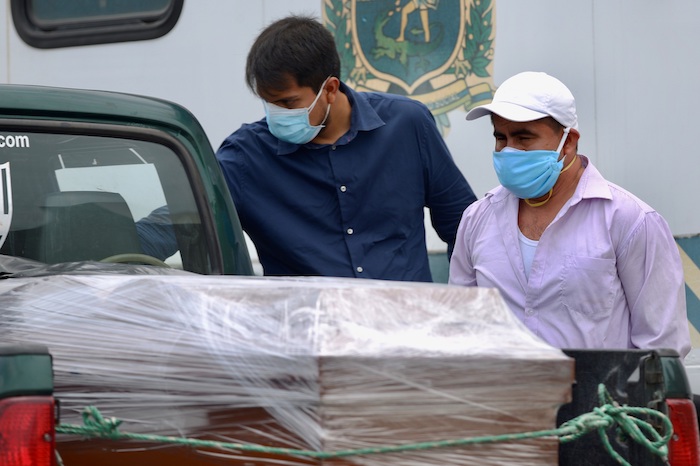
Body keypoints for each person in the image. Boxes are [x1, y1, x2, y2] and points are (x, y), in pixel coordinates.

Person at [216, 15, 476, 281]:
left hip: (408, 319)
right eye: (268, 104)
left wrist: (460, 303)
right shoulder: (246, 157)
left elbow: (467, 229)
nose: (276, 115)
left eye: (288, 103)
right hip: (308, 322)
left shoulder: (408, 125)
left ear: (330, 88)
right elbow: (186, 224)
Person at [449, 71, 691, 357]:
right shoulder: (477, 220)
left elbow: (661, 349)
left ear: (569, 142)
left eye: (524, 138)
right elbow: (460, 330)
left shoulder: (631, 221)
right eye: (501, 138)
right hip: (502, 399)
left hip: (599, 401)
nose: (508, 151)